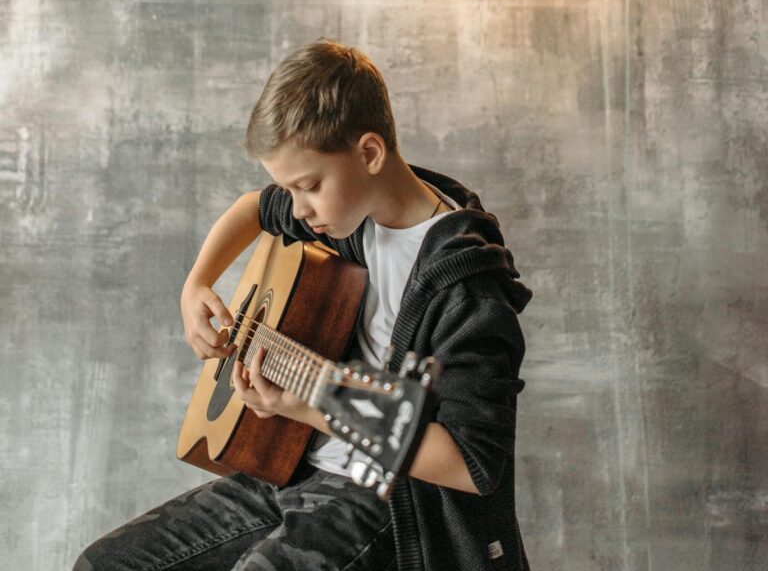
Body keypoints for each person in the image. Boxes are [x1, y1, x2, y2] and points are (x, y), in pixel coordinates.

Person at [75, 39, 532, 571]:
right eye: (288, 188)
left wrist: (306, 404)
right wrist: (196, 284)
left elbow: (468, 462)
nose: (297, 208)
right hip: (293, 463)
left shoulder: (466, 283)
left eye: (308, 186)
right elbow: (254, 208)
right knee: (103, 564)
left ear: (369, 153)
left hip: (383, 500)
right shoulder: (348, 212)